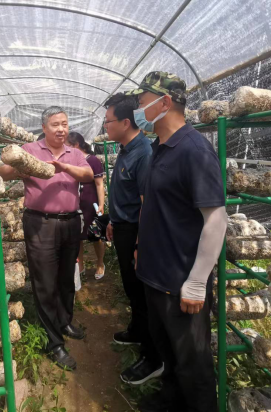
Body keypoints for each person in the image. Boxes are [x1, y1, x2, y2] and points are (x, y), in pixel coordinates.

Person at [132, 71, 228, 412]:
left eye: (142, 102)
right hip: (155, 275)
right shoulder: (160, 147)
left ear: (165, 102)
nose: (138, 109)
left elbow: (216, 218)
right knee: (169, 353)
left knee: (193, 363)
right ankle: (171, 402)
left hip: (180, 281)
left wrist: (198, 280)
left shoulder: (193, 149)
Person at [0, 107, 94, 371]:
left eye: (65, 124)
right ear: (44, 127)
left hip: (70, 222)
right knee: (45, 281)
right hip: (41, 223)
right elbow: (3, 172)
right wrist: (17, 169)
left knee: (66, 277)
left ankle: (65, 321)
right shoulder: (29, 150)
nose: (61, 129)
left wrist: (64, 167)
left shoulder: (75, 153)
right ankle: (54, 343)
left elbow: (88, 175)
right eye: (55, 124)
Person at [102, 92, 162, 386]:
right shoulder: (126, 149)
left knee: (142, 294)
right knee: (131, 287)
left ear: (125, 122)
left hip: (137, 231)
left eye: (108, 121)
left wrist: (140, 243)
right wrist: (113, 220)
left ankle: (153, 357)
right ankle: (137, 331)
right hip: (123, 227)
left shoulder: (144, 153)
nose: (105, 126)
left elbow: (147, 205)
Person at [66, 131, 106, 279]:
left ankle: (100, 263)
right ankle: (81, 264)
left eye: (67, 145)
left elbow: (99, 184)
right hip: (75, 203)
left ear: (76, 145)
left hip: (90, 202)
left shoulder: (93, 160)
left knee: (95, 234)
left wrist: (101, 204)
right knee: (77, 236)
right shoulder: (70, 160)